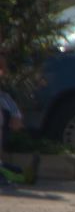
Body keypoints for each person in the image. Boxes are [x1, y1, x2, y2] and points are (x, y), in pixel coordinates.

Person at [0, 50, 37, 187]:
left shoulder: (4, 97)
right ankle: (20, 175)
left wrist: (16, 116)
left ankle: (22, 174)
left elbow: (14, 113)